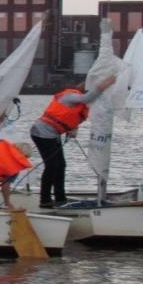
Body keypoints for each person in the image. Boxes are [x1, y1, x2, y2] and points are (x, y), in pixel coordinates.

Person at [31, 76, 116, 208]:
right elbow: (86, 98)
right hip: (41, 132)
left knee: (61, 166)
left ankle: (60, 198)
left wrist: (74, 128)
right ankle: (45, 200)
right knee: (52, 166)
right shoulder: (71, 96)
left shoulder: (81, 105)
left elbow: (71, 117)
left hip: (52, 134)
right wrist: (102, 86)